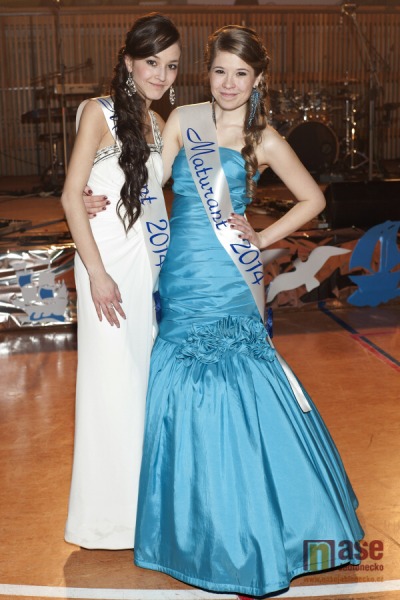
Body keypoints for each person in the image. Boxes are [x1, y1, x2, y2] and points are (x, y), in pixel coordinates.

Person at [130, 25, 364, 596]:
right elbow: (149, 184)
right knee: (183, 387)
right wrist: (98, 193)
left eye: (241, 74)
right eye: (219, 71)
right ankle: (196, 526)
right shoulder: (183, 120)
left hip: (231, 276)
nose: (229, 84)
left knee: (241, 387)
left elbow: (313, 198)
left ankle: (264, 527)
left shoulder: (264, 138)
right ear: (206, 73)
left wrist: (261, 239)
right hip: (182, 274)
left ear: (258, 80)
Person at [61, 13, 181, 550]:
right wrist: (96, 273)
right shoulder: (98, 111)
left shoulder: (159, 122)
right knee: (110, 386)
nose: (161, 74)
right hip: (106, 267)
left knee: (140, 385)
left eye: (172, 66)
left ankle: (142, 510)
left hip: (145, 268)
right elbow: (72, 195)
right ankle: (105, 521)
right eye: (152, 61)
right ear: (129, 61)